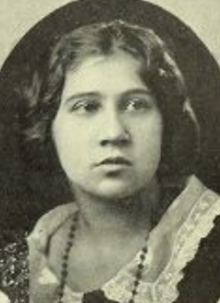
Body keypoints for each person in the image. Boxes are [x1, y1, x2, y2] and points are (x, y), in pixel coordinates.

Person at [1, 20, 220, 303]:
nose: (114, 133)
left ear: (166, 121)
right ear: (48, 125)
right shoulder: (30, 252)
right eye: (87, 106)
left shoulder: (208, 243)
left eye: (136, 104)